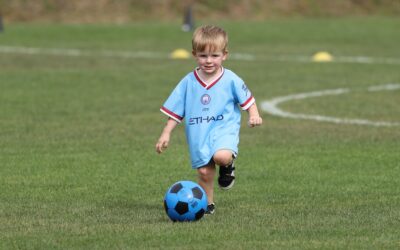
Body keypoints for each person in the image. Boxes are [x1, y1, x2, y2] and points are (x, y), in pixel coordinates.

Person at [155, 25, 262, 214]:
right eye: (203, 55)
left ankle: (228, 166)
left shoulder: (231, 79)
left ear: (225, 55)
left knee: (221, 156)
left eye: (214, 56)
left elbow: (248, 100)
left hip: (224, 129)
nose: (209, 61)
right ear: (194, 54)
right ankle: (207, 205)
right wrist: (166, 133)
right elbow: (176, 110)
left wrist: (254, 115)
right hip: (198, 133)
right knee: (204, 172)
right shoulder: (188, 81)